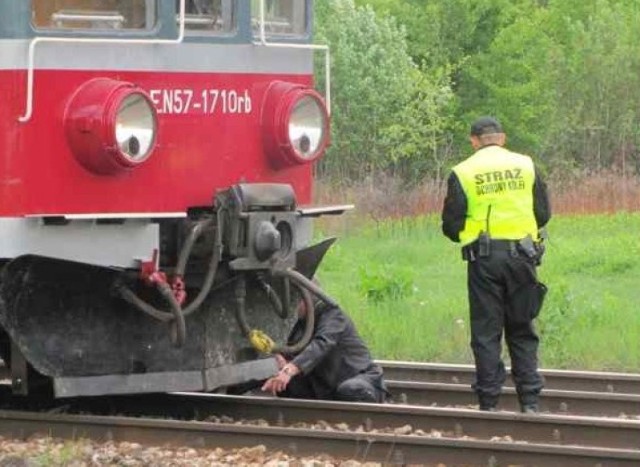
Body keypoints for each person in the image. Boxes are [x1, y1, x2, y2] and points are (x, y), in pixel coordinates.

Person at [441, 116, 551, 413]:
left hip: (484, 260)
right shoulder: (526, 165)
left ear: (474, 140)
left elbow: (451, 226)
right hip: (523, 257)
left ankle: (489, 403)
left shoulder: (463, 172)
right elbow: (542, 213)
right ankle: (529, 401)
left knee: (487, 332)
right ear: (502, 138)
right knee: (522, 328)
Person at [261, 295, 389, 403]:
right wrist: (281, 361)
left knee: (350, 390)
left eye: (295, 301)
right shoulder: (301, 323)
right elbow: (294, 350)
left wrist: (289, 370)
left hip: (358, 378)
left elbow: (322, 344)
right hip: (325, 385)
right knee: (284, 386)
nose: (291, 307)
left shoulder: (333, 315)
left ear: (307, 299)